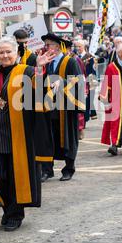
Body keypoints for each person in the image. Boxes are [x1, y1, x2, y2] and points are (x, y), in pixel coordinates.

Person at [0, 37, 55, 231]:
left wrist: (39, 70)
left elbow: (42, 97)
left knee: (15, 177)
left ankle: (14, 214)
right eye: (1, 52)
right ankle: (9, 208)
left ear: (16, 53)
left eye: (9, 52)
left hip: (18, 136)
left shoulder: (26, 71)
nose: (5, 55)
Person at [40, 33, 86, 182]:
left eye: (49, 45)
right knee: (47, 139)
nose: (46, 48)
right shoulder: (44, 62)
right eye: (45, 45)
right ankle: (47, 170)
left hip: (65, 108)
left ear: (58, 47)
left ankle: (69, 169)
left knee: (68, 138)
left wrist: (64, 82)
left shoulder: (70, 62)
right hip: (47, 107)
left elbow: (79, 82)